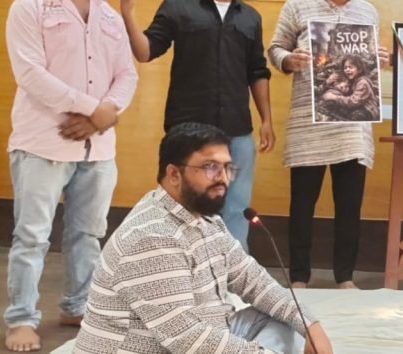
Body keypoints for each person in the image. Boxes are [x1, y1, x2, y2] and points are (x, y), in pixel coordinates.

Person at [75, 123, 331, 353]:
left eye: (227, 168)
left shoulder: (206, 219)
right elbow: (187, 339)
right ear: (174, 174)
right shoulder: (152, 238)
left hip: (204, 332)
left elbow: (252, 280)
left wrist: (310, 324)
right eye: (210, 167)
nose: (223, 178)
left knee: (283, 319)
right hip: (160, 347)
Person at [3, 0, 138, 352]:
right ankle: (21, 319)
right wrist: (91, 108)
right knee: (32, 237)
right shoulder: (28, 8)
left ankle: (78, 306)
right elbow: (30, 73)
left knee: (88, 234)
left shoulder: (109, 15)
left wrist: (104, 116)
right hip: (43, 142)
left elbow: (127, 73)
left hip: (98, 147)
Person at [119, 0, 274, 250]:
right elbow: (145, 52)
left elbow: (257, 71)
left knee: (235, 209)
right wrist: (127, 10)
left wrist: (266, 120)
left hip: (237, 132)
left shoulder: (250, 17)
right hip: (188, 130)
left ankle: (231, 276)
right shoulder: (178, 5)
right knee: (181, 207)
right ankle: (179, 270)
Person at [267, 0, 390, 289]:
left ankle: (345, 278)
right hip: (309, 125)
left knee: (349, 207)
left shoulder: (368, 12)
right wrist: (288, 60)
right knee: (302, 205)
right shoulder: (298, 5)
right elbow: (275, 49)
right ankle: (299, 277)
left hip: (352, 129)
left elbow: (364, 66)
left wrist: (379, 60)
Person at [320, 54, 380, 121]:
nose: (347, 70)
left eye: (350, 67)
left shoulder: (363, 82)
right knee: (331, 105)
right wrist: (330, 86)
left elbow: (354, 102)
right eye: (345, 68)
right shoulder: (352, 80)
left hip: (368, 109)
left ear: (359, 70)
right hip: (357, 106)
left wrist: (334, 97)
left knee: (354, 116)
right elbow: (341, 90)